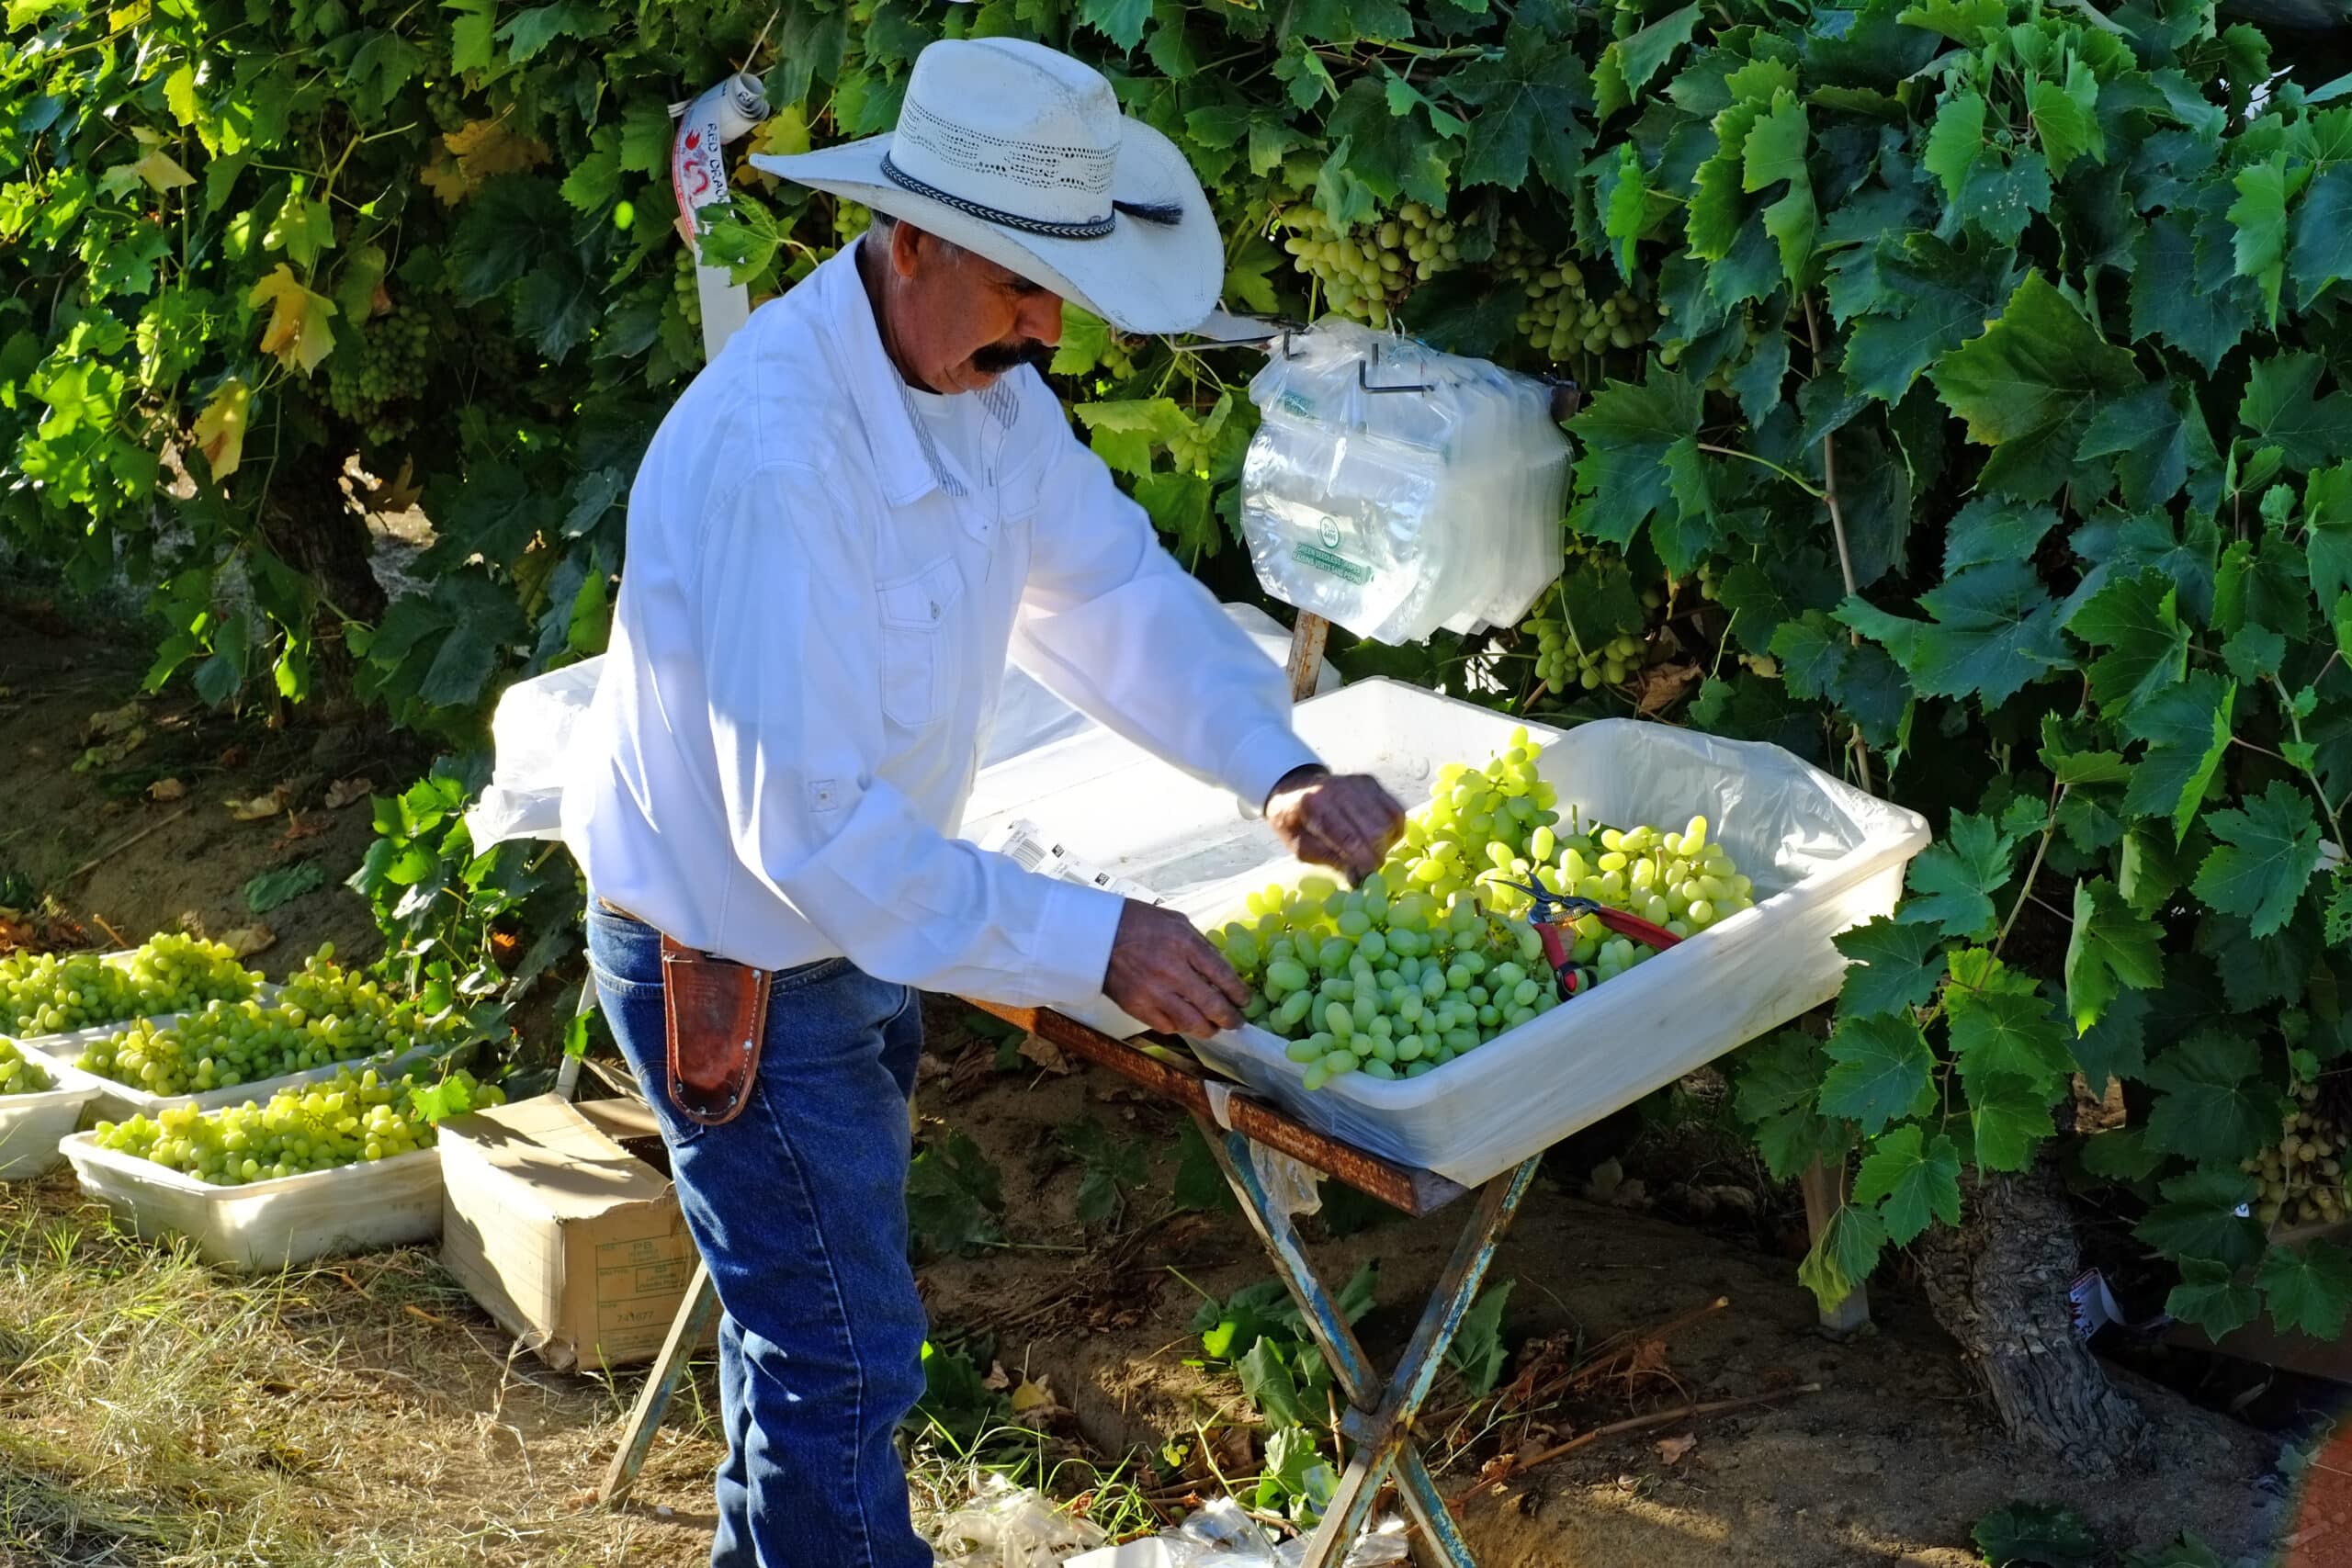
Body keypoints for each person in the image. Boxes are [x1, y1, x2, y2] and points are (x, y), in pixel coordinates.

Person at [560, 36, 1407, 1567]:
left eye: (1062, 289)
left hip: (849, 939)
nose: (1051, 330)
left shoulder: (982, 390)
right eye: (1025, 287)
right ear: (915, 240)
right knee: (842, 1364)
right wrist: (1095, 942)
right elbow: (808, 835)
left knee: (804, 1344)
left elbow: (1107, 592)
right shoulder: (781, 453)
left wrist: (1270, 764)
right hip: (739, 964)